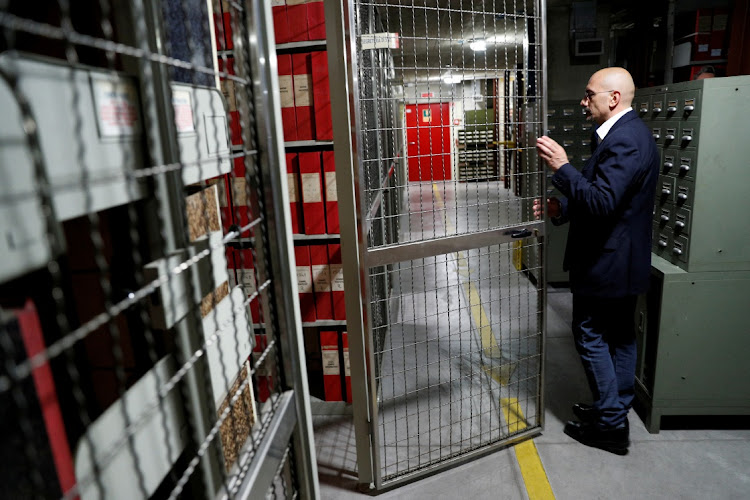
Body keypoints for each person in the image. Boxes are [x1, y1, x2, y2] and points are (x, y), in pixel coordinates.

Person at [534, 67, 659, 455]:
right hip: (621, 260)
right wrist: (562, 207)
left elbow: (603, 203)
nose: (584, 101)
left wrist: (562, 166)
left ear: (614, 99)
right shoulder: (621, 135)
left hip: (607, 263)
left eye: (590, 95)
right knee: (620, 336)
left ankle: (609, 425)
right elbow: (600, 190)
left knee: (590, 335)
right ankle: (613, 410)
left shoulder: (625, 142)